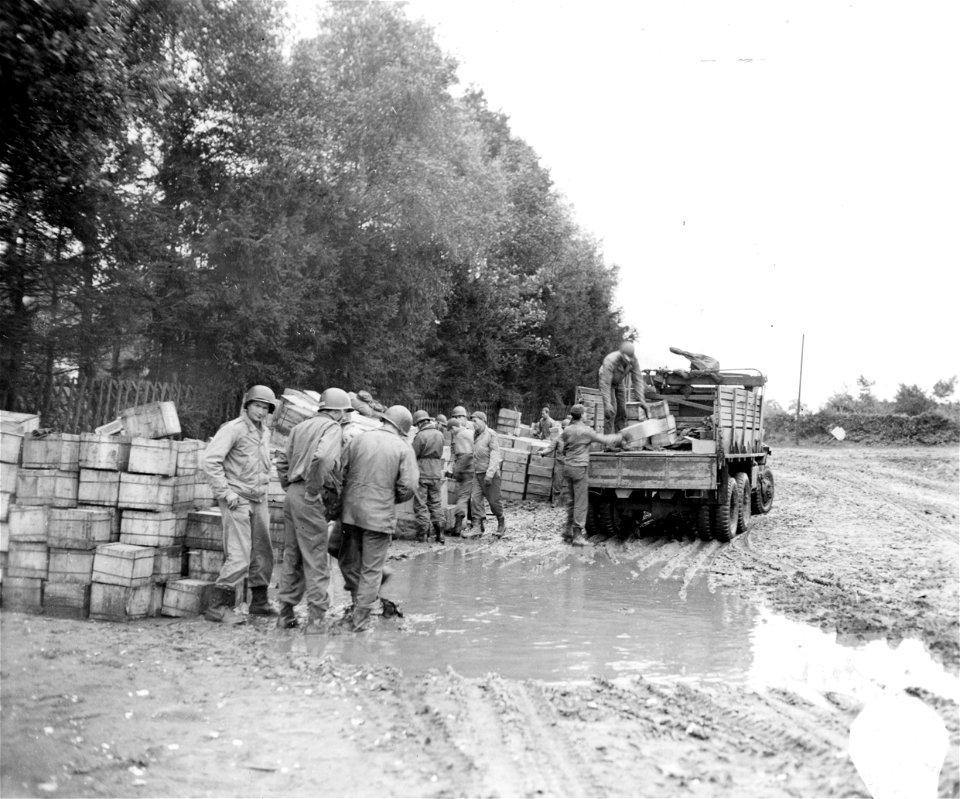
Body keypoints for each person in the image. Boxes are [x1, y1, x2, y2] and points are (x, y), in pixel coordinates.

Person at [274, 387, 352, 632]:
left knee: (292, 556)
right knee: (316, 558)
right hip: (309, 495)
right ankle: (316, 620)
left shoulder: (299, 427)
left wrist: (290, 487)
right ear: (337, 412)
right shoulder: (332, 428)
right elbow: (322, 459)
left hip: (293, 495)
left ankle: (285, 614)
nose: (345, 417)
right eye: (344, 412)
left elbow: (282, 461)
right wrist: (312, 490)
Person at [338, 405, 419, 632]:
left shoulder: (358, 440)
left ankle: (357, 604)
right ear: (402, 428)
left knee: (349, 561)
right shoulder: (404, 448)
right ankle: (361, 621)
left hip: (350, 514)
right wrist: (391, 497)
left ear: (384, 420)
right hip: (380, 516)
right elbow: (409, 485)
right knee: (372, 570)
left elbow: (340, 471)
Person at [202, 385, 277, 624]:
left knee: (263, 552)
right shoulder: (233, 429)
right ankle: (217, 608)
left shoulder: (265, 432)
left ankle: (259, 602)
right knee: (240, 554)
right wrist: (226, 493)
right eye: (257, 406)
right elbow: (210, 461)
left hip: (259, 499)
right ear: (247, 405)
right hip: (237, 500)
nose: (261, 412)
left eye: (265, 408)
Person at [539, 404, 623, 546]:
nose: (587, 415)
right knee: (581, 503)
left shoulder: (568, 430)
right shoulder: (585, 431)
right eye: (585, 413)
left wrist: (545, 451)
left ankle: (567, 531)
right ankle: (577, 535)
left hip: (568, 468)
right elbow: (604, 440)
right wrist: (621, 436)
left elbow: (557, 441)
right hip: (579, 469)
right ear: (582, 415)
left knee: (572, 501)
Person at [464, 411, 506, 538]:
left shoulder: (491, 435)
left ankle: (501, 522)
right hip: (477, 473)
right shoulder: (474, 435)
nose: (474, 424)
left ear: (483, 421)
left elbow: (495, 454)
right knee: (475, 500)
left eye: (475, 421)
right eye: (472, 422)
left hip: (490, 475)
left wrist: (490, 473)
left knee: (494, 502)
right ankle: (477, 526)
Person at [598, 341, 650, 434]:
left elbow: (637, 380)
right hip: (607, 380)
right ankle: (609, 443)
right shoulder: (610, 360)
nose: (628, 360)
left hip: (619, 381)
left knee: (622, 411)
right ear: (621, 354)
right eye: (626, 358)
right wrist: (607, 403)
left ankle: (620, 441)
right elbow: (605, 383)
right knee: (611, 411)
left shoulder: (633, 360)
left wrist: (642, 400)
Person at [411, 410, 445, 544]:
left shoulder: (420, 436)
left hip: (422, 472)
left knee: (421, 504)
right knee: (436, 503)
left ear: (420, 423)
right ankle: (440, 534)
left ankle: (422, 535)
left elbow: (413, 454)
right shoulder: (440, 434)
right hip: (436, 472)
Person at [446, 417, 474, 536]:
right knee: (467, 496)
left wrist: (454, 468)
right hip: (470, 468)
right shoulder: (469, 433)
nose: (451, 433)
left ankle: (460, 524)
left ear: (454, 427)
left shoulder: (460, 435)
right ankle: (463, 524)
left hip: (463, 467)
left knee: (463, 496)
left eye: (450, 430)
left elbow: (459, 453)